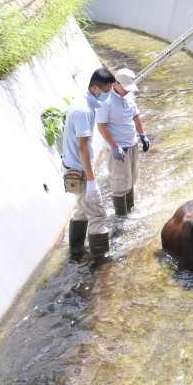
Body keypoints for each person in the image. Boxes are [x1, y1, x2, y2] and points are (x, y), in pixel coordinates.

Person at [62, 67, 117, 259]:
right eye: (106, 91)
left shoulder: (83, 102)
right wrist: (92, 180)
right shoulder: (84, 111)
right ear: (95, 88)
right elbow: (83, 147)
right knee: (98, 214)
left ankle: (75, 251)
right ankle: (100, 261)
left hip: (74, 167)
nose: (108, 95)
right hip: (80, 170)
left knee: (83, 210)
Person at [95, 67, 150, 216]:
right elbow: (101, 126)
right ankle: (121, 216)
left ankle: (130, 208)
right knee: (119, 183)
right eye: (125, 88)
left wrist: (142, 135)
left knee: (131, 177)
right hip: (117, 149)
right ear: (115, 83)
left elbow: (136, 115)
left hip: (132, 144)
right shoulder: (105, 100)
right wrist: (114, 146)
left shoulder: (129, 95)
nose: (127, 91)